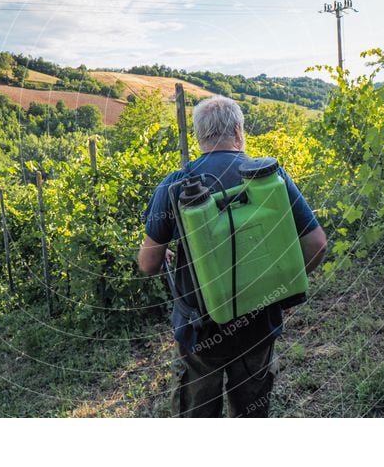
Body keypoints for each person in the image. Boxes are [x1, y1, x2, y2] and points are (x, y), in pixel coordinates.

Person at [139, 95, 327, 417]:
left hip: (200, 332)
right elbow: (317, 244)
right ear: (239, 132)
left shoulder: (173, 186)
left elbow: (148, 263)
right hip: (258, 326)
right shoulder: (270, 179)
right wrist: (283, 286)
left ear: (199, 138)